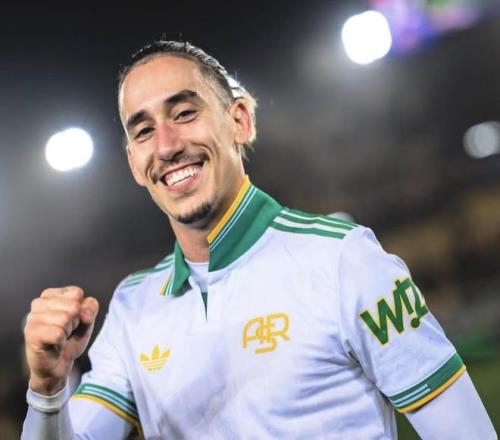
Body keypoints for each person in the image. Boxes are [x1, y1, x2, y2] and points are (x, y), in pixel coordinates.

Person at [22, 40, 496, 439]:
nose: (166, 146)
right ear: (133, 164)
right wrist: (47, 388)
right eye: (143, 131)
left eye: (184, 113)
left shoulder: (343, 259)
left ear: (240, 120)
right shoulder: (132, 307)